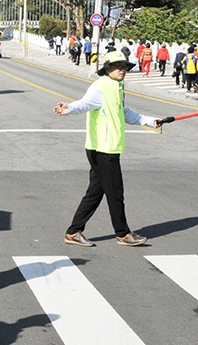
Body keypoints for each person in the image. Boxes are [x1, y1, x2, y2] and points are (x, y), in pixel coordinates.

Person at [53, 51, 160, 247]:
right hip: (103, 149)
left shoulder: (117, 87)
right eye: (118, 66)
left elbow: (124, 113)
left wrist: (151, 121)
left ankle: (74, 232)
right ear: (108, 68)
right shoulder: (101, 87)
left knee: (96, 191)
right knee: (115, 192)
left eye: (125, 66)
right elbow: (85, 104)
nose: (123, 70)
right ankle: (123, 234)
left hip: (106, 148)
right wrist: (69, 108)